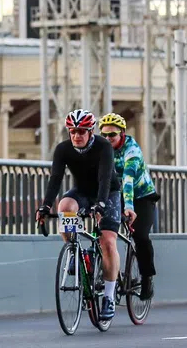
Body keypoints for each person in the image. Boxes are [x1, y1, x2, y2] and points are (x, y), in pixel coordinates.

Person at [35, 109, 122, 321]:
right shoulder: (63, 149)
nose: (77, 136)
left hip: (108, 191)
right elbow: (55, 180)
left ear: (91, 131)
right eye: (72, 131)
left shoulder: (103, 146)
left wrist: (100, 205)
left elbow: (104, 179)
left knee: (108, 242)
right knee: (65, 205)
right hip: (82, 192)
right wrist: (45, 207)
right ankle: (74, 250)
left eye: (82, 131)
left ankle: (109, 297)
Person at [99, 112, 159, 301]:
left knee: (140, 235)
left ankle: (147, 277)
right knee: (104, 233)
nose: (108, 139)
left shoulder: (131, 150)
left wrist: (129, 206)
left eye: (112, 135)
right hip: (116, 195)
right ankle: (109, 271)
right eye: (104, 136)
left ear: (122, 134)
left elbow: (128, 179)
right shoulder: (101, 149)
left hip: (141, 198)